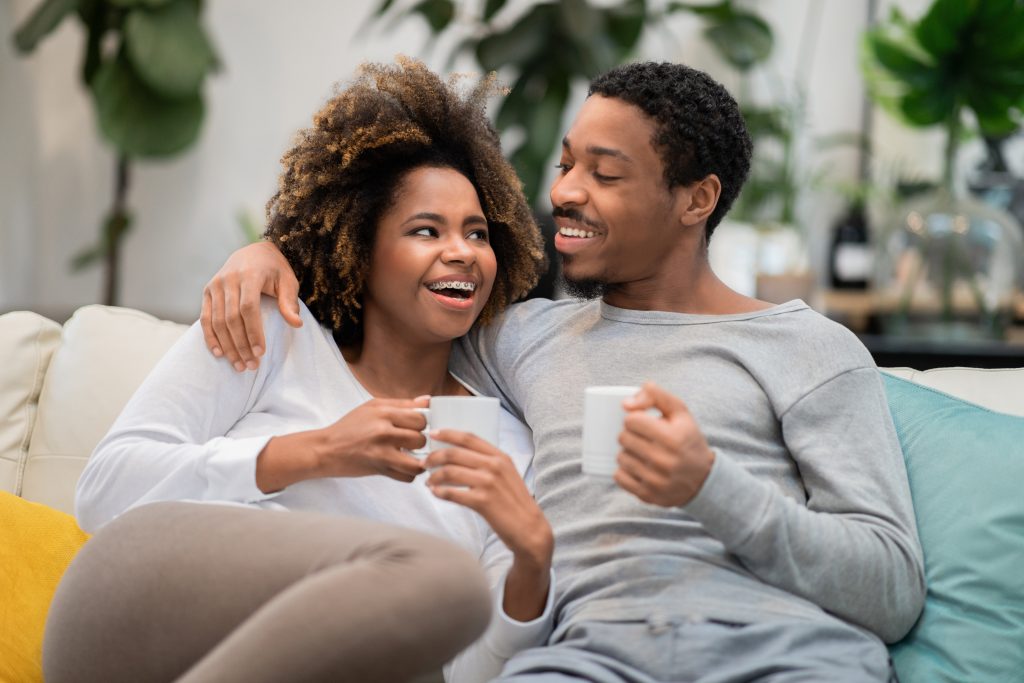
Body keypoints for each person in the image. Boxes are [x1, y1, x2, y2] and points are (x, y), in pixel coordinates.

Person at [200, 61, 926, 682]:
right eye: (567, 164)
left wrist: (712, 487)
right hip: (588, 660)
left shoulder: (806, 347)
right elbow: (390, 282)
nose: (565, 194)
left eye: (604, 173)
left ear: (697, 200)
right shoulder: (519, 335)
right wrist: (272, 255)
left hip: (786, 656)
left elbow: (892, 587)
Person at [44, 58, 556, 683]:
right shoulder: (269, 329)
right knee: (437, 577)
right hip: (134, 621)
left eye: (478, 234)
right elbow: (104, 492)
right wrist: (315, 452)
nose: (462, 252)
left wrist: (530, 566)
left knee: (443, 596)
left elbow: (463, 670)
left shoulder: (509, 448)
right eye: (426, 230)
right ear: (360, 248)